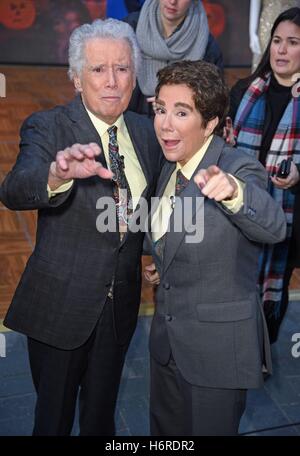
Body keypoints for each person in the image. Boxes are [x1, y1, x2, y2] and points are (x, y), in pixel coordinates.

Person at [0, 18, 162, 436]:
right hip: (60, 308)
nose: (112, 80)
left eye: (122, 68)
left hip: (120, 309)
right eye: (97, 69)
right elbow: (15, 189)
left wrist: (156, 253)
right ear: (76, 78)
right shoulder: (48, 126)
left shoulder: (147, 132)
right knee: (52, 421)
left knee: (100, 418)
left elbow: (153, 207)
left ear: (135, 75)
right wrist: (56, 175)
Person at [143, 60, 286, 436]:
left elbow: (273, 225)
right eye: (160, 109)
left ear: (209, 124)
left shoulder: (238, 167)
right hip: (166, 346)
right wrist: (163, 261)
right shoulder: (170, 164)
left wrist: (235, 193)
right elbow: (175, 232)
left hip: (216, 352)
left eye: (181, 112)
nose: (165, 123)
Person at [228, 7, 300, 343]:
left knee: (273, 291)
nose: (281, 50)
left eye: (292, 42)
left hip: (286, 222)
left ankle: (260, 354)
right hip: (238, 213)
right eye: (277, 41)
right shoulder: (245, 91)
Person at [123, 0, 223, 116]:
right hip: (129, 125)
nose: (172, 1)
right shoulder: (128, 29)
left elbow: (213, 106)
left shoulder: (208, 47)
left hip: (181, 129)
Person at [249, 0, 299, 71]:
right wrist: (252, 34)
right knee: (268, 60)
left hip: (294, 25)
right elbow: (255, 2)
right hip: (268, 25)